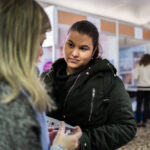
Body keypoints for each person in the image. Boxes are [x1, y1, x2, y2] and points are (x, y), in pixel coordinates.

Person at [41, 20, 137, 150]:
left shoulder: (109, 81)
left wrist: (82, 142)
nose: (74, 53)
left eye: (83, 48)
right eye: (70, 44)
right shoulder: (46, 77)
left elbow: (127, 127)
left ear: (93, 51)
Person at [0, 0, 82, 150]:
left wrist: (41, 137)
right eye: (39, 43)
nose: (41, 52)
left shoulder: (19, 87)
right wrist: (61, 147)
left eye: (83, 48)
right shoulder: (11, 97)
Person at [133, 54, 150, 127]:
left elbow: (135, 77)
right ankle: (145, 122)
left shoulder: (138, 66)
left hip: (140, 88)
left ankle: (138, 122)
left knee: (139, 105)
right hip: (149, 88)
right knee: (147, 105)